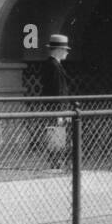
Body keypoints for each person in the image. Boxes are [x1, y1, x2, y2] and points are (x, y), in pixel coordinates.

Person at [39, 33, 72, 169]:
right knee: (57, 135)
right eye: (65, 50)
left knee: (57, 134)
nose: (67, 53)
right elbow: (57, 90)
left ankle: (57, 162)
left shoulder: (52, 64)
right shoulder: (53, 66)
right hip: (57, 107)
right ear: (59, 50)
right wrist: (60, 112)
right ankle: (56, 162)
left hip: (57, 107)